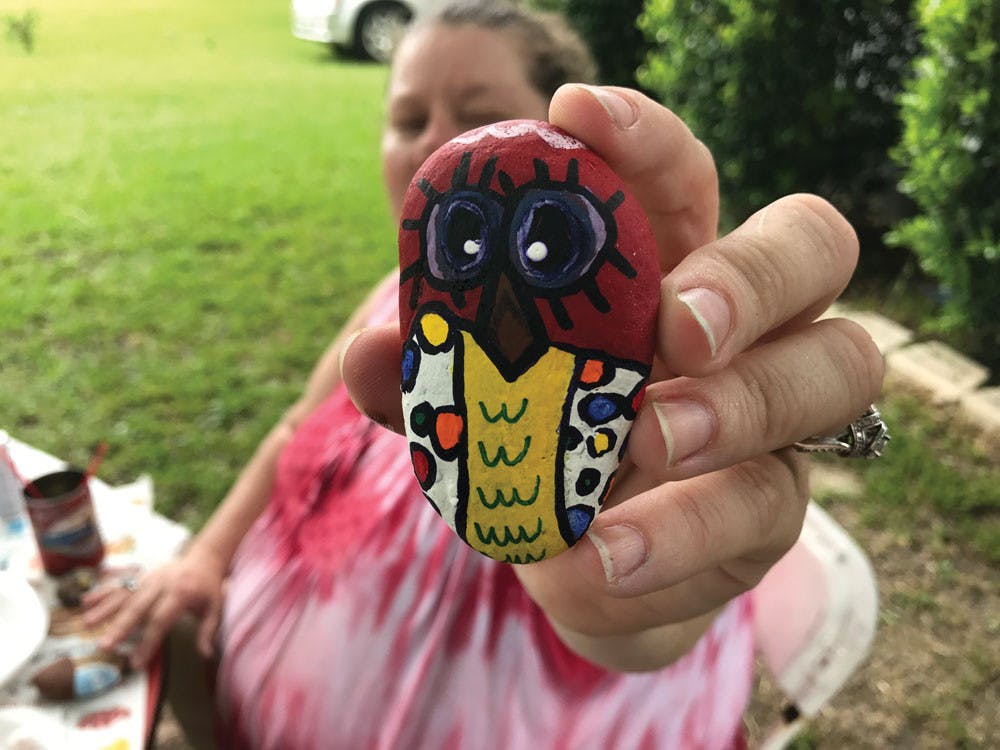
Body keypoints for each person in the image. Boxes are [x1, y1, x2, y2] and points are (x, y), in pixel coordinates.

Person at [83, 2, 884, 748]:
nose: (435, 142)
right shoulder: (396, 301)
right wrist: (207, 557)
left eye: (474, 117)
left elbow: (639, 616)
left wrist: (631, 591)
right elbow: (297, 425)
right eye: (406, 119)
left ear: (569, 135)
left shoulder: (631, 363)